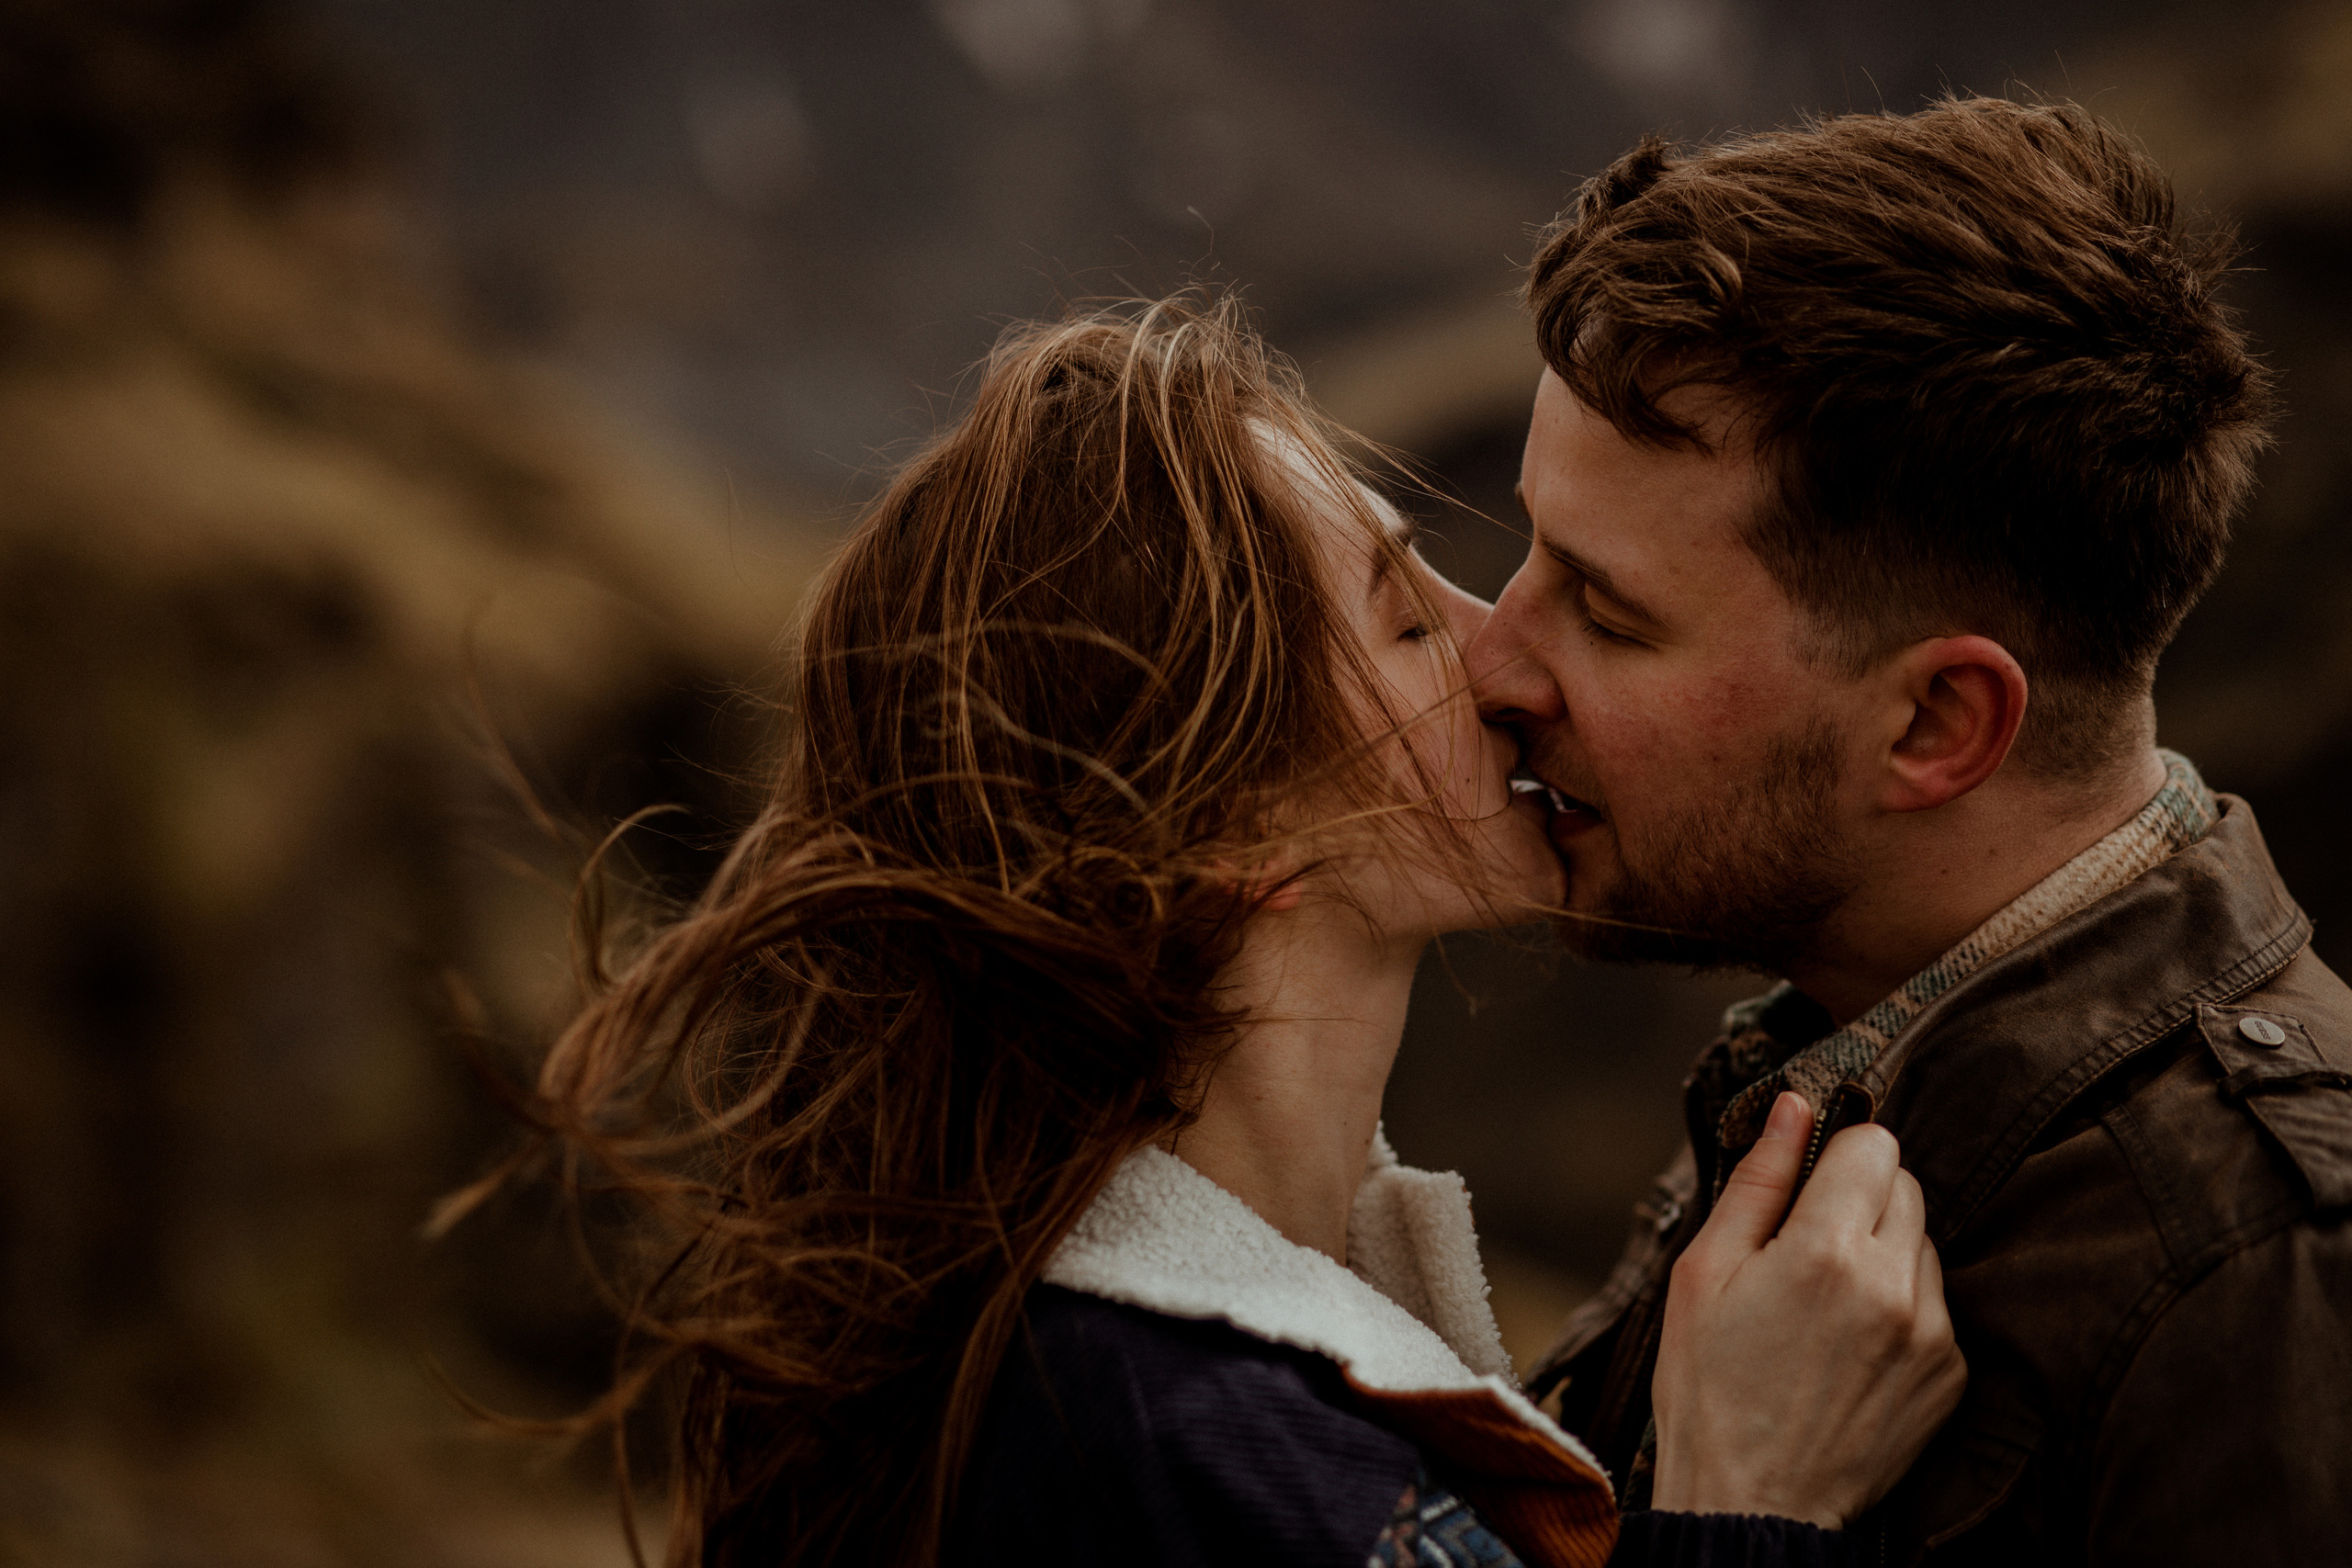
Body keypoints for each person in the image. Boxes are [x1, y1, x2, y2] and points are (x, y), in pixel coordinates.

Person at [519, 296, 1964, 1568]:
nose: (1503, 653)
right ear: (1218, 841)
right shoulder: (1182, 1440)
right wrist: (1749, 1509)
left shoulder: (1140, 1373)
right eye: (1406, 622)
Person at [1470, 96, 2352, 1564]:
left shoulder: (2270, 1277)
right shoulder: (1845, 1057)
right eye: (1531, 551)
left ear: (1939, 725)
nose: (1494, 661)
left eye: (1609, 613)